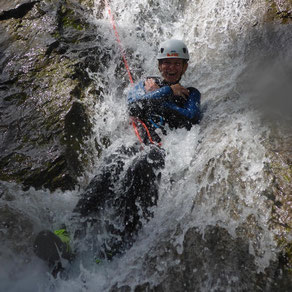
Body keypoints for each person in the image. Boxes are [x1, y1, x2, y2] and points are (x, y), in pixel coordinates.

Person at [33, 39, 201, 276]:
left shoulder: (191, 93)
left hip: (168, 152)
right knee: (114, 163)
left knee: (144, 162)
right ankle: (68, 234)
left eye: (176, 64)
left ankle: (118, 241)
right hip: (140, 146)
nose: (171, 68)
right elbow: (133, 106)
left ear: (184, 67)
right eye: (166, 64)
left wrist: (161, 97)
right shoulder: (146, 85)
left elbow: (191, 117)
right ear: (159, 65)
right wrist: (164, 92)